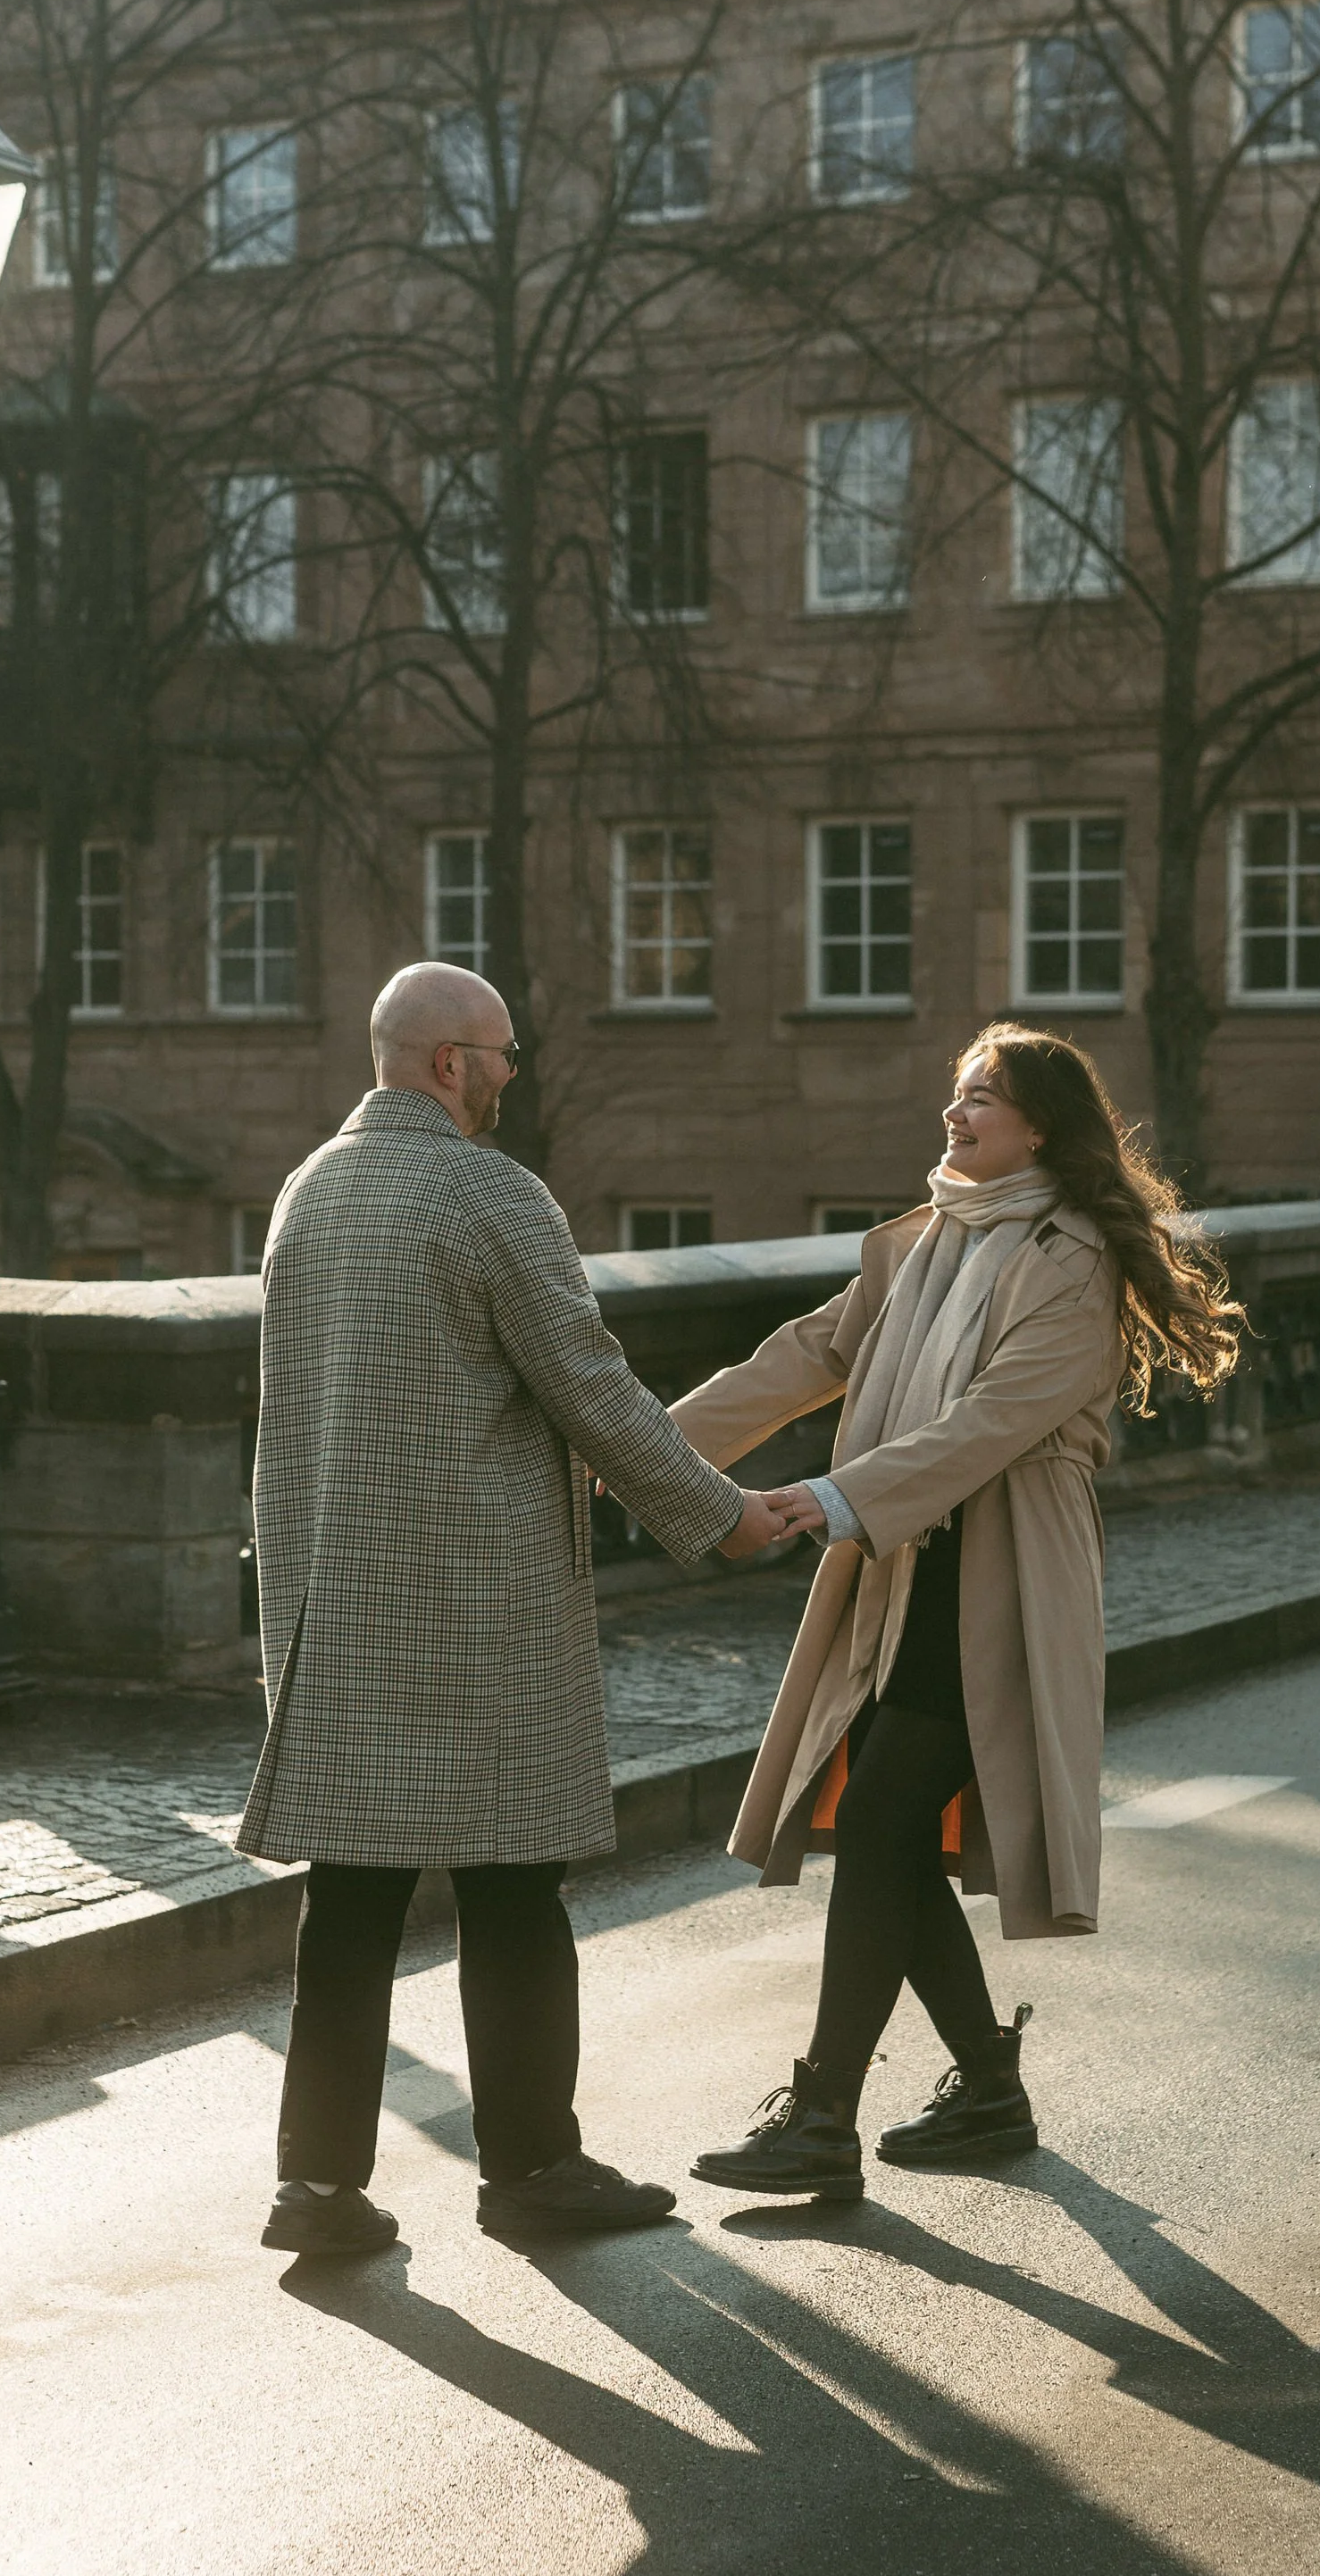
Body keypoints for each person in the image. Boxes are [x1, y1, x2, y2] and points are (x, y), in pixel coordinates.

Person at [239, 959, 783, 2257]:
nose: (510, 1072)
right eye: (499, 1052)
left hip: (338, 1593)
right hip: (473, 1604)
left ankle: (315, 2190)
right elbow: (590, 1388)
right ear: (447, 1065)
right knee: (512, 1891)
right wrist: (725, 1516)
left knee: (354, 1899)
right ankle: (534, 2166)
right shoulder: (489, 1195)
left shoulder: (305, 1192)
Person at [673, 1027, 1241, 2201]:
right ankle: (985, 2085)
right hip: (905, 1574)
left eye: (983, 1097)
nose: (957, 1112)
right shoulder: (926, 1241)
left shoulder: (1069, 1258)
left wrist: (827, 1497)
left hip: (997, 1578)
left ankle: (827, 2111)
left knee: (881, 1814)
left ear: (1042, 1125)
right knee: (882, 1829)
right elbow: (810, 1352)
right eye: (955, 1092)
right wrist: (649, 1453)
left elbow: (993, 1423)